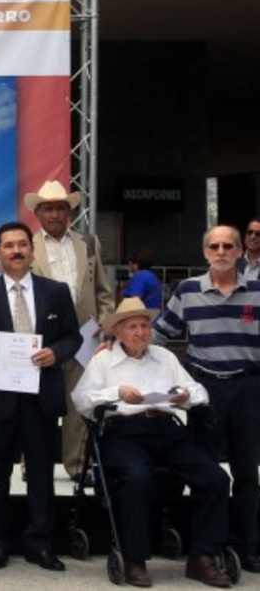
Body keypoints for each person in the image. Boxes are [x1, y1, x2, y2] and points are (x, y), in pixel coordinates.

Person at [73, 297, 234, 588]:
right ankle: (135, 558)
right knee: (137, 478)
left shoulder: (165, 356)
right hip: (124, 432)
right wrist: (117, 392)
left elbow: (199, 391)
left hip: (165, 429)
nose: (140, 332)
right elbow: (81, 399)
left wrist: (185, 394)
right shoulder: (103, 360)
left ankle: (203, 556)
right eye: (132, 326)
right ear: (118, 332)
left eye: (144, 326)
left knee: (216, 478)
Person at [0, 222, 80, 571]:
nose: (16, 251)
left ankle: (39, 543)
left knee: (41, 474)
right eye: (8, 246)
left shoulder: (55, 291)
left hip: (41, 398)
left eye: (22, 245)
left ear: (31, 249)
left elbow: (73, 337)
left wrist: (56, 353)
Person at [152, 225, 260, 573]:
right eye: (214, 246)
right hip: (204, 389)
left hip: (248, 388)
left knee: (247, 473)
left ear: (240, 251)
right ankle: (207, 548)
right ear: (205, 253)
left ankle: (247, 546)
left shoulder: (258, 291)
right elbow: (160, 333)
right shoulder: (188, 290)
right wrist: (120, 347)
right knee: (206, 472)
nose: (221, 252)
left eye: (228, 246)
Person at [25, 180, 113, 481]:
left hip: (86, 335)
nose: (55, 215)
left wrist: (105, 326)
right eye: (48, 209)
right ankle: (32, 465)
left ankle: (76, 465)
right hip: (42, 338)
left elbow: (103, 290)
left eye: (60, 208)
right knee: (37, 404)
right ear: (37, 213)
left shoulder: (88, 243)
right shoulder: (27, 245)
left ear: (69, 212)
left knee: (80, 402)